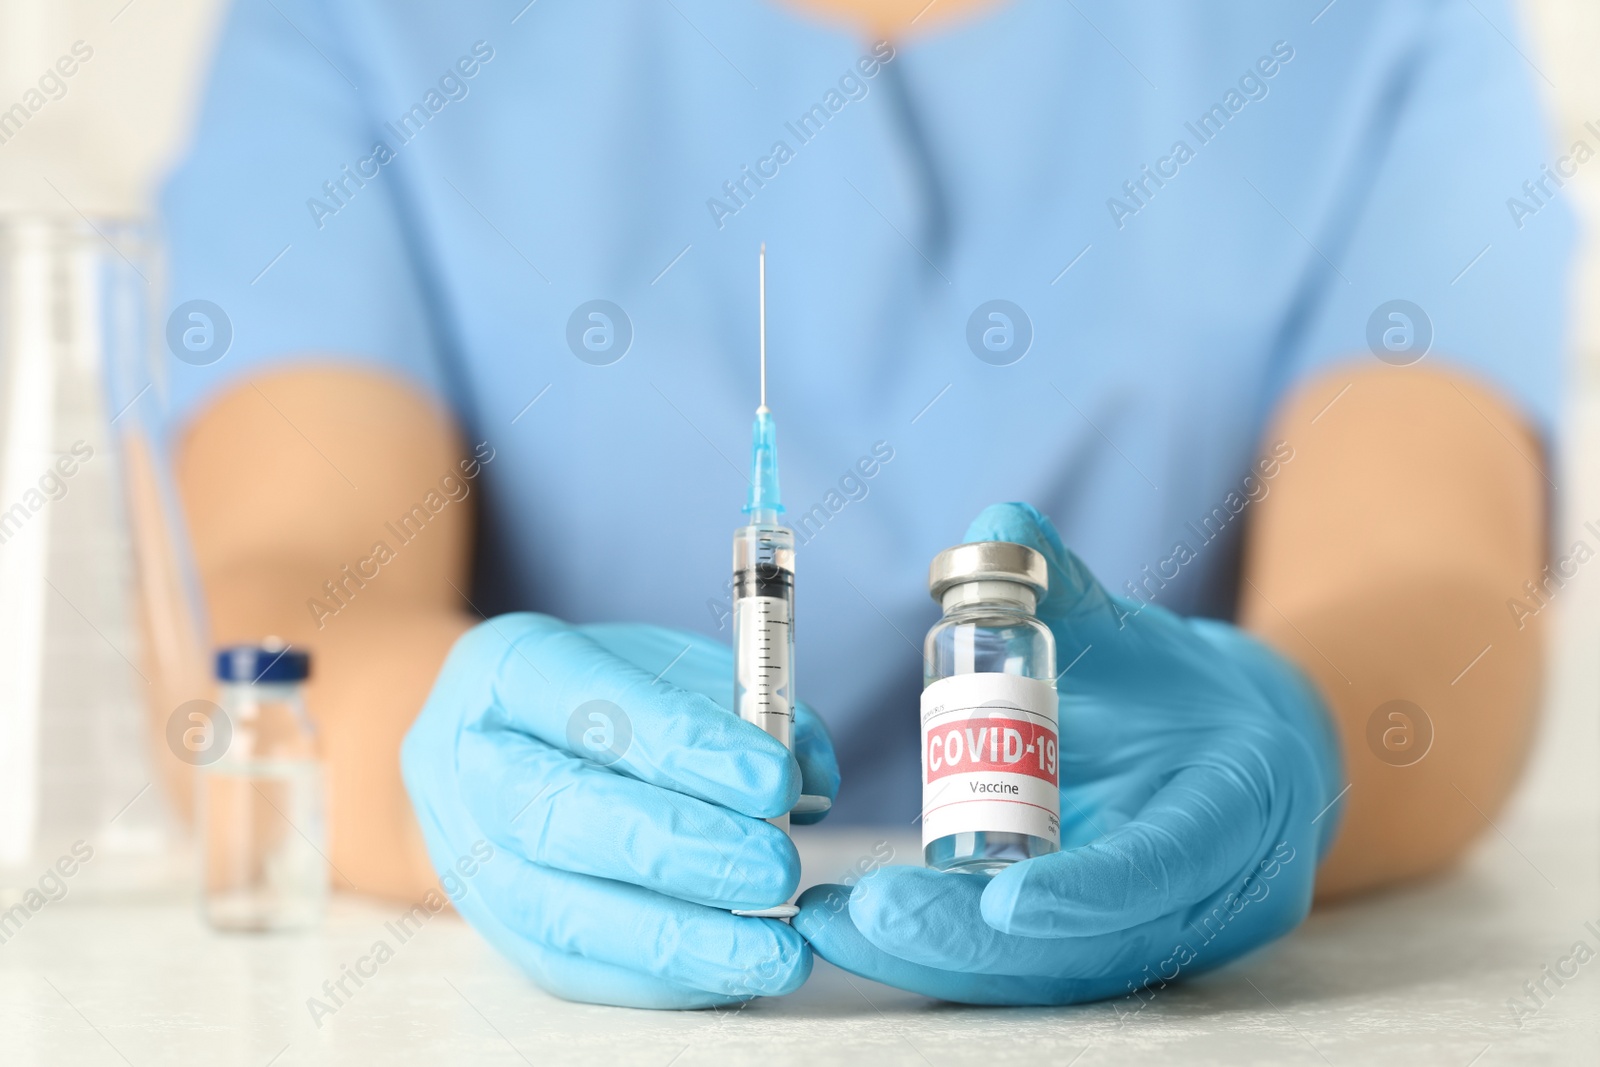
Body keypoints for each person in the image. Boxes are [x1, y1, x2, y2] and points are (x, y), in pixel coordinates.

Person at [151, 0, 1571, 1007]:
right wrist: (450, 773)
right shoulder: (355, 22)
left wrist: (1299, 755)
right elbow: (280, 594)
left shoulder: (1377, 25)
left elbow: (1438, 579)